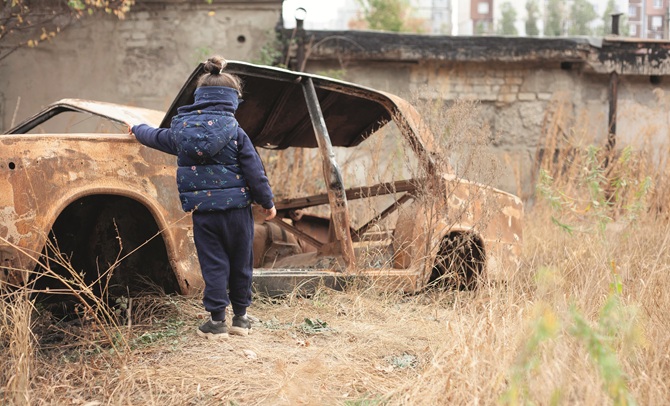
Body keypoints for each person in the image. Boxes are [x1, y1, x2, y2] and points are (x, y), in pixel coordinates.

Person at [131, 56, 276, 339]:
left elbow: (155, 136)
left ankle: (217, 321)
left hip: (205, 213)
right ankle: (241, 319)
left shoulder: (181, 133)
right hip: (237, 212)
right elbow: (254, 171)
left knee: (214, 263)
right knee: (241, 261)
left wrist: (136, 130)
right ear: (232, 100)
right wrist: (267, 201)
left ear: (199, 98)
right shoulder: (236, 132)